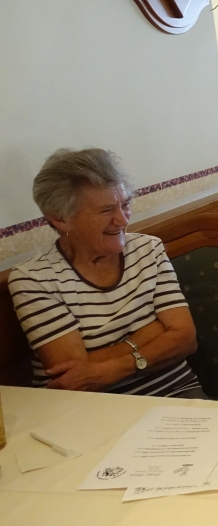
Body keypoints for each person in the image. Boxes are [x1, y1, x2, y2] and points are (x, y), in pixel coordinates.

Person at [8, 148, 205, 398]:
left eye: (126, 204)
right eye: (106, 210)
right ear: (60, 218)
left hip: (177, 392)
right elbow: (74, 375)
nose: (122, 220)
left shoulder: (148, 248)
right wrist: (153, 332)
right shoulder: (34, 280)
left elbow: (186, 338)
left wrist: (111, 368)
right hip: (93, 409)